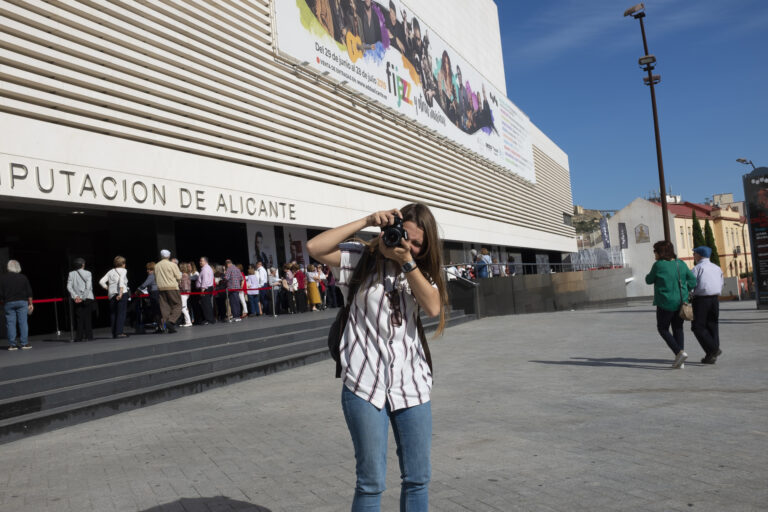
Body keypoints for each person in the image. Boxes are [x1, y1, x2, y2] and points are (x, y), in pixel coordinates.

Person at [307, 203, 448, 511]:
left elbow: (434, 308)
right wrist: (367, 220)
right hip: (364, 383)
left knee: (418, 479)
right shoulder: (359, 260)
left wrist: (407, 262)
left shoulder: (420, 270)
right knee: (371, 483)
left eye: (416, 243)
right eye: (402, 235)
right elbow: (314, 247)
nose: (406, 244)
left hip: (412, 385)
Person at [645, 241, 697, 369]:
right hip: (681, 302)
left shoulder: (658, 265)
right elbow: (693, 281)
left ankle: (679, 352)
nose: (654, 255)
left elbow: (648, 280)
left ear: (661, 252)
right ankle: (680, 360)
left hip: (665, 302)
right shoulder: (681, 264)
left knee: (662, 329)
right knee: (678, 328)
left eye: (655, 252)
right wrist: (685, 290)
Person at [690, 246, 724, 364]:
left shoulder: (697, 268)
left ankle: (714, 349)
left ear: (699, 255)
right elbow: (721, 283)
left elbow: (691, 284)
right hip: (714, 299)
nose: (694, 256)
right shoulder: (717, 268)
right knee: (712, 325)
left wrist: (689, 295)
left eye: (694, 254)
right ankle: (710, 355)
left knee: (697, 327)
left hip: (701, 300)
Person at [1, 260, 34, 350]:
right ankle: (24, 343)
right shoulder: (23, 277)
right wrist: (31, 304)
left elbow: (1, 293)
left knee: (10, 324)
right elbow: (29, 292)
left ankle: (13, 345)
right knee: (23, 323)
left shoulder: (3, 278)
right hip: (22, 302)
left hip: (9, 302)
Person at [99, 255, 129, 339]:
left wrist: (108, 288)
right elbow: (121, 281)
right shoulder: (123, 270)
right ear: (123, 263)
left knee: (113, 313)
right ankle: (119, 332)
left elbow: (101, 281)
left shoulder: (110, 271)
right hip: (121, 293)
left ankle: (114, 333)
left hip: (111, 294)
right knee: (121, 313)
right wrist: (120, 294)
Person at [66, 257, 94, 341]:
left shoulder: (71, 273)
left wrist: (76, 296)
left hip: (77, 298)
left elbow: (69, 286)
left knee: (79, 318)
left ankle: (79, 337)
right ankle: (89, 336)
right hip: (87, 297)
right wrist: (83, 297)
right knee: (87, 317)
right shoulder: (88, 273)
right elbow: (88, 286)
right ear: (83, 265)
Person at [138, 262, 162, 332]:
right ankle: (161, 326)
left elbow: (144, 284)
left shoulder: (151, 275)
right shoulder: (158, 274)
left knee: (156, 311)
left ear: (152, 269)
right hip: (159, 292)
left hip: (154, 293)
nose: (147, 271)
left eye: (149, 269)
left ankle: (159, 327)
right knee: (159, 311)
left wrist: (137, 290)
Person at [197, 256, 215, 324]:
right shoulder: (208, 268)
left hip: (205, 289)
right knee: (207, 304)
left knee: (206, 304)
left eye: (201, 261)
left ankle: (209, 319)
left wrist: (202, 290)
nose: (200, 262)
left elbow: (204, 281)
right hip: (209, 288)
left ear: (205, 261)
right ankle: (209, 319)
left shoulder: (205, 269)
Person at [178, 262, 193, 327]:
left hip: (184, 293)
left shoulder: (184, 275)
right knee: (185, 307)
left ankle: (188, 322)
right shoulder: (186, 274)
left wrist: (179, 285)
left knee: (183, 308)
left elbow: (185, 286)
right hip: (185, 293)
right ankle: (187, 321)